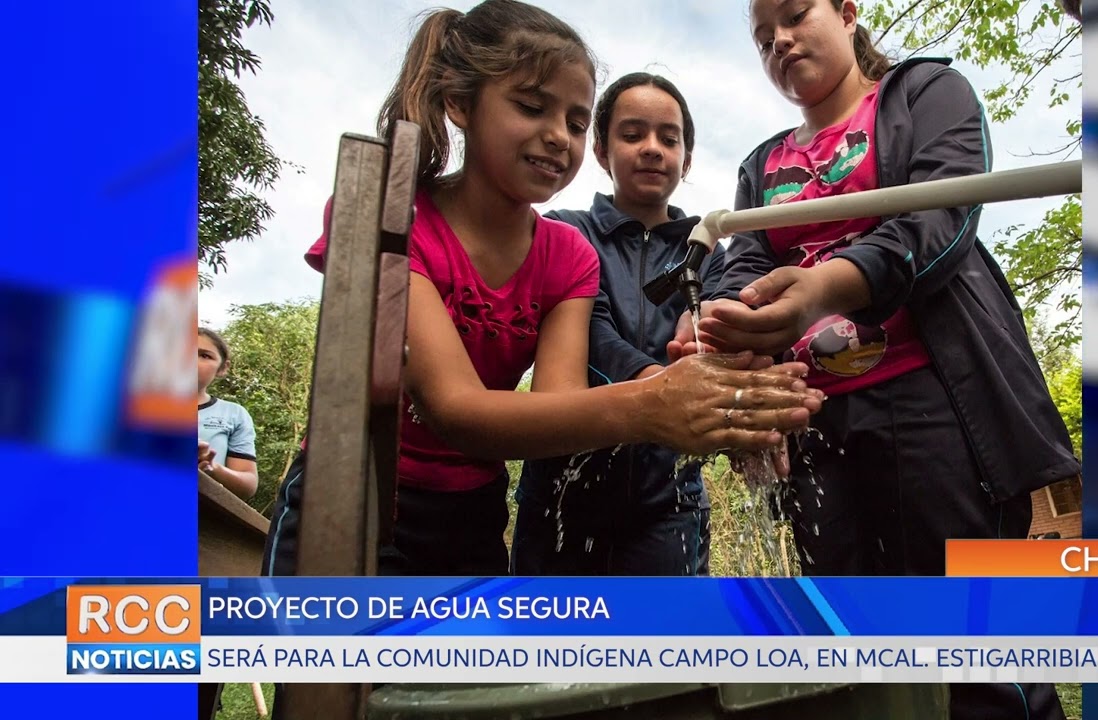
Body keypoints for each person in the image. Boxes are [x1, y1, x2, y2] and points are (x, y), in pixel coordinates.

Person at [261, 0, 821, 581]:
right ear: (459, 103)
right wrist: (656, 399)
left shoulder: (568, 256)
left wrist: (728, 394)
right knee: (326, 668)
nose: (558, 137)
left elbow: (558, 414)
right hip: (349, 490)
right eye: (532, 107)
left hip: (471, 514)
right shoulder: (392, 216)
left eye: (575, 123)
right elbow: (454, 409)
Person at [670, 1, 1081, 718]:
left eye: (795, 15)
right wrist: (720, 320)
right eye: (763, 39)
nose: (780, 42)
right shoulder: (761, 163)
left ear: (848, 10)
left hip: (937, 408)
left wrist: (821, 289)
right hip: (817, 423)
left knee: (974, 649)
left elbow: (940, 221)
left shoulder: (926, 94)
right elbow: (741, 267)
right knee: (850, 647)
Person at [512, 72, 723, 576]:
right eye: (632, 135)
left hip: (670, 500)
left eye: (668, 139)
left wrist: (713, 344)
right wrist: (658, 383)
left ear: (686, 160)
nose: (652, 148)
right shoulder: (564, 231)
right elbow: (591, 335)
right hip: (561, 492)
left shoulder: (710, 250)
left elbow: (720, 328)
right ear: (603, 151)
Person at [196, 327, 258, 500]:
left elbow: (248, 486)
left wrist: (210, 466)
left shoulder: (234, 414)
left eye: (204, 355)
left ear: (223, 367)